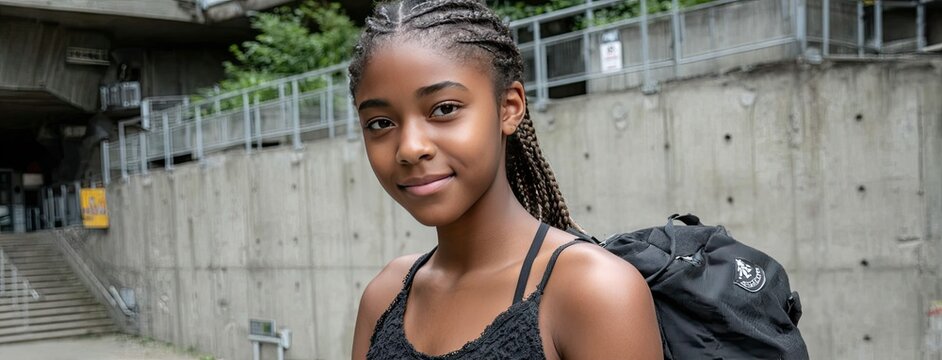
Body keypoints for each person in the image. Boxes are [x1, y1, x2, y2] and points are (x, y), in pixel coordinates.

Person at [348, 1, 662, 358]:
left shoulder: (592, 289)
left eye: (445, 109)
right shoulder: (384, 296)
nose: (410, 148)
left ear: (509, 107)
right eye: (380, 123)